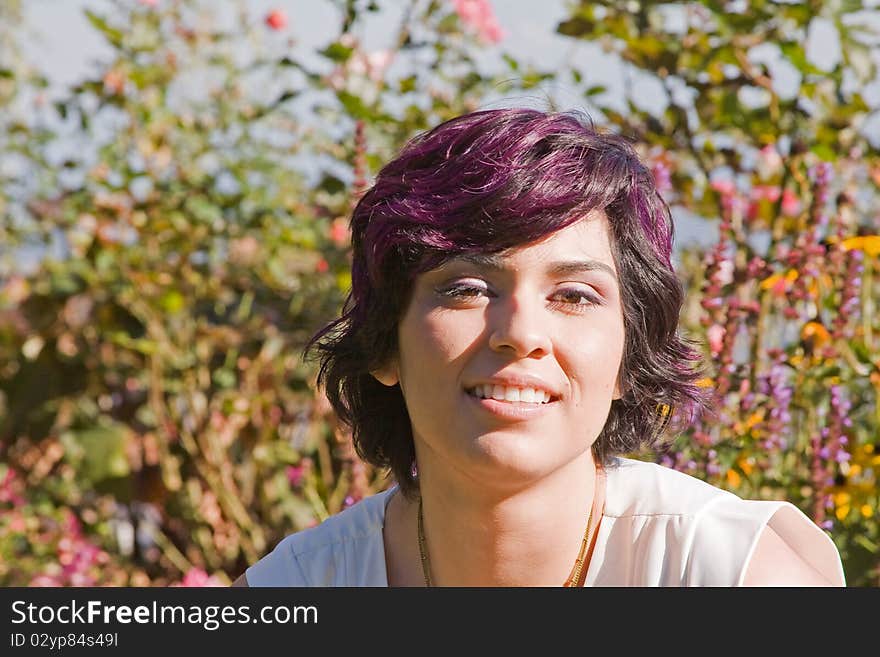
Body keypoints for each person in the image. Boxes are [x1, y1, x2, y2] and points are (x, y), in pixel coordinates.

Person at [234, 108, 845, 587]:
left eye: (575, 295)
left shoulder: (735, 578)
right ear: (384, 347)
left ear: (630, 360)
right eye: (467, 288)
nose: (520, 333)